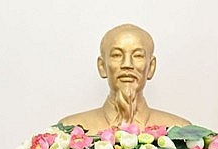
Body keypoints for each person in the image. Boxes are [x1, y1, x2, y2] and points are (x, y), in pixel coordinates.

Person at [59, 23, 190, 132]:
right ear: (102, 66)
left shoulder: (181, 131)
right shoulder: (69, 131)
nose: (127, 64)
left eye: (138, 55)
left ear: (151, 67)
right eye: (117, 55)